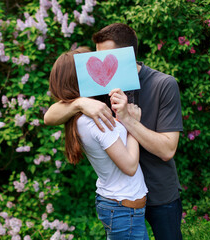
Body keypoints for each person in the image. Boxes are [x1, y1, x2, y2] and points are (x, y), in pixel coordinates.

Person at [44, 23, 183, 240]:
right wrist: (79, 104)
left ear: (127, 54)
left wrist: (129, 121)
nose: (97, 63)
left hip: (160, 194)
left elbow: (167, 150)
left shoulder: (163, 84)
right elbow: (49, 116)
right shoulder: (100, 84)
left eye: (105, 56)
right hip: (121, 201)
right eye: (96, 56)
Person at [49, 46, 149, 239]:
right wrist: (134, 124)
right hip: (122, 210)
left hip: (123, 209)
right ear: (78, 79)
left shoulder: (84, 114)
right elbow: (129, 166)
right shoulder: (92, 120)